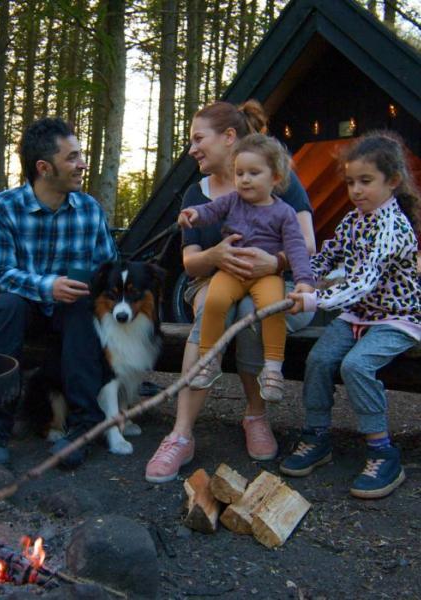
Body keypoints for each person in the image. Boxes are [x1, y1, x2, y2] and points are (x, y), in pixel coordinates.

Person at [145, 100, 316, 483]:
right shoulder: (197, 195)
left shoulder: (277, 177)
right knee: (213, 307)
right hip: (214, 282)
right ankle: (181, 434)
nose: (191, 149)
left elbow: (308, 243)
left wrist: (273, 264)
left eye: (197, 138)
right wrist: (216, 255)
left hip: (281, 283)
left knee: (248, 313)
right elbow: (190, 264)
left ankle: (255, 414)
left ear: (228, 137)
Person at [280, 132, 421, 499]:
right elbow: (329, 256)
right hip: (359, 314)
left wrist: (312, 301)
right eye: (350, 182)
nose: (356, 190)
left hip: (396, 317)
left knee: (356, 366)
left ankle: (381, 451)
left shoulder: (392, 226)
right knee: (320, 359)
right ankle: (316, 435)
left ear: (392, 181)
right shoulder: (354, 219)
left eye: (365, 181)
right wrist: (302, 278)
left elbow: (361, 281)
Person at [0, 117, 117, 468]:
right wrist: (47, 286)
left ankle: (84, 426)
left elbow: (108, 267)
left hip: (72, 314)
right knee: (5, 306)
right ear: (44, 167)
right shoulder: (5, 207)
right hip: (26, 310)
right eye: (72, 157)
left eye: (80, 155)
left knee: (84, 308)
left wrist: (95, 284)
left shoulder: (89, 210)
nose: (82, 164)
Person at [178, 133, 315, 399]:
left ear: (275, 177)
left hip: (267, 276)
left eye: (254, 173)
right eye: (239, 173)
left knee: (271, 310)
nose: (245, 179)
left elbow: (297, 248)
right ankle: (208, 360)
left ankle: (273, 368)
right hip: (232, 272)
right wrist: (194, 214)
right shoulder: (232, 201)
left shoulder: (284, 212)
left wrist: (304, 281)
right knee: (214, 303)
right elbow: (211, 211)